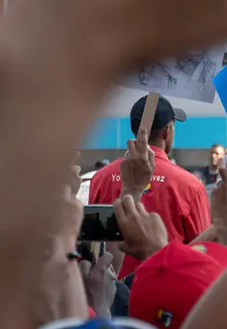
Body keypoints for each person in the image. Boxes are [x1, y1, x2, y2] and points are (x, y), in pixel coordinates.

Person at [90, 95, 212, 278]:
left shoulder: (100, 178)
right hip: (166, 287)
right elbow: (203, 250)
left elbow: (94, 241)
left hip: (108, 288)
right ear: (167, 130)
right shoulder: (190, 185)